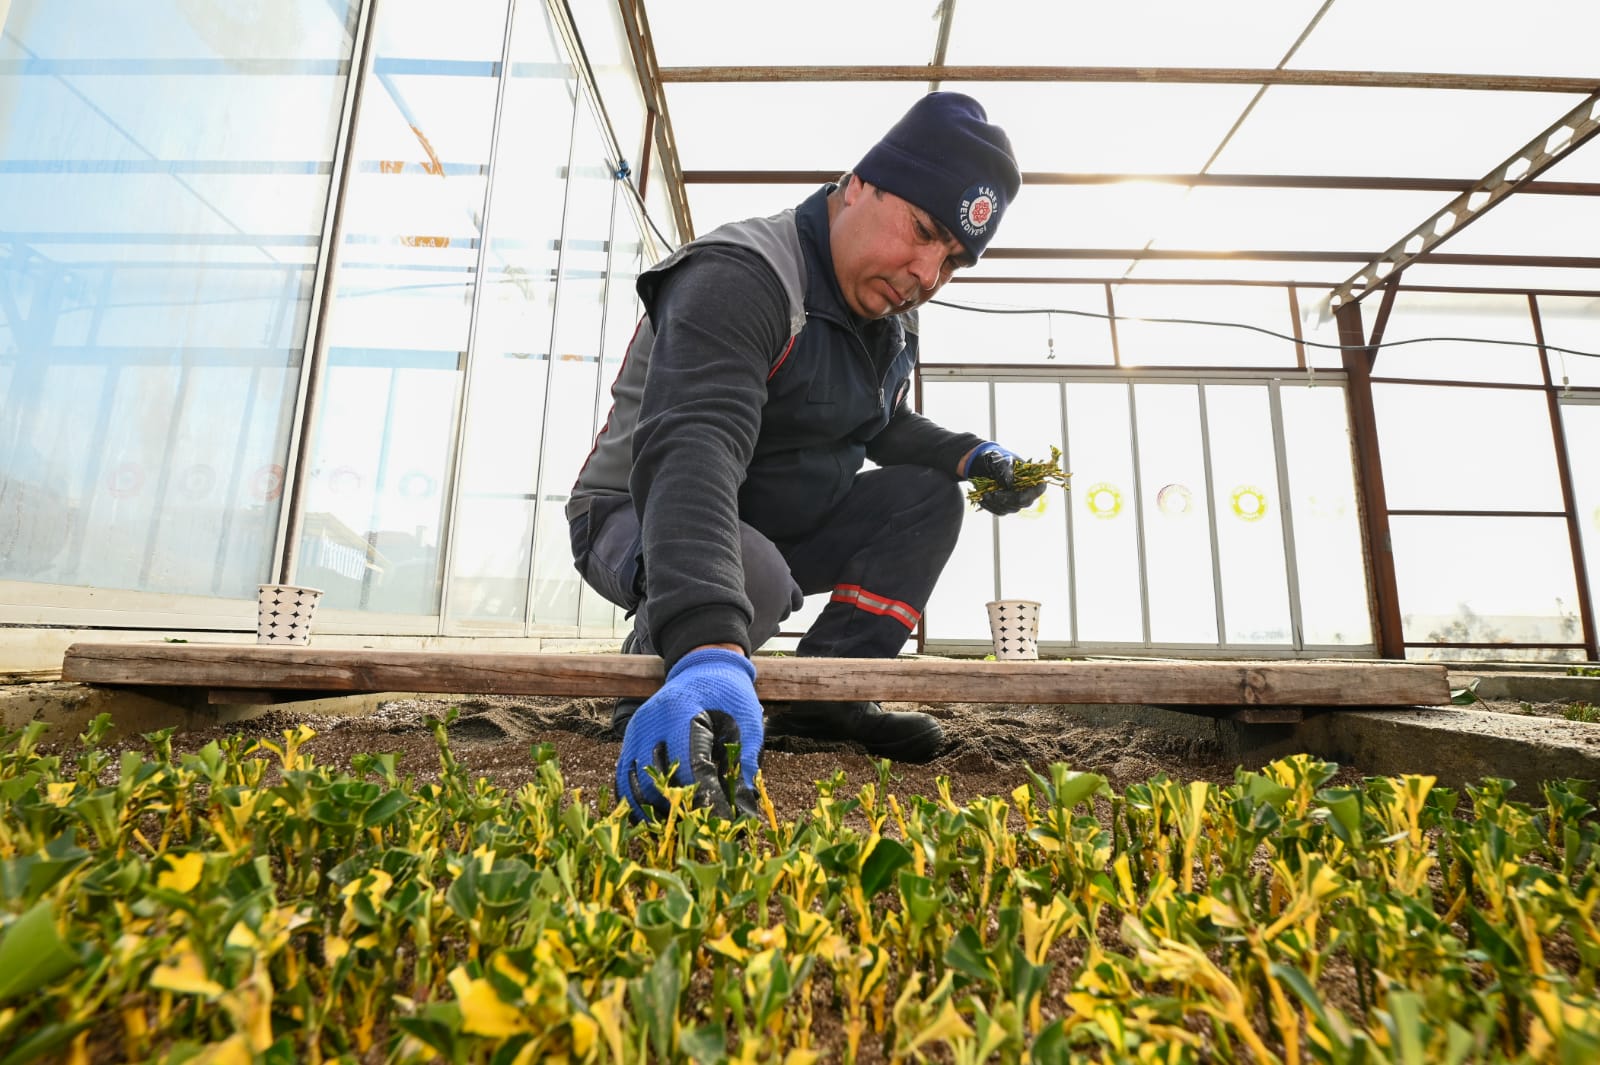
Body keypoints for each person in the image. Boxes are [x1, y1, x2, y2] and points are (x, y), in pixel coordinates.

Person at [567, 92, 1044, 820]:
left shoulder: (889, 316)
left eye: (951, 261)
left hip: (775, 526)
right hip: (639, 509)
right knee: (749, 573)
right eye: (922, 230)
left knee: (924, 497)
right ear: (858, 186)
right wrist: (708, 645)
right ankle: (660, 673)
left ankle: (827, 695)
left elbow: (876, 425)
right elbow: (693, 448)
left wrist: (971, 456)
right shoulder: (744, 276)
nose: (925, 273)